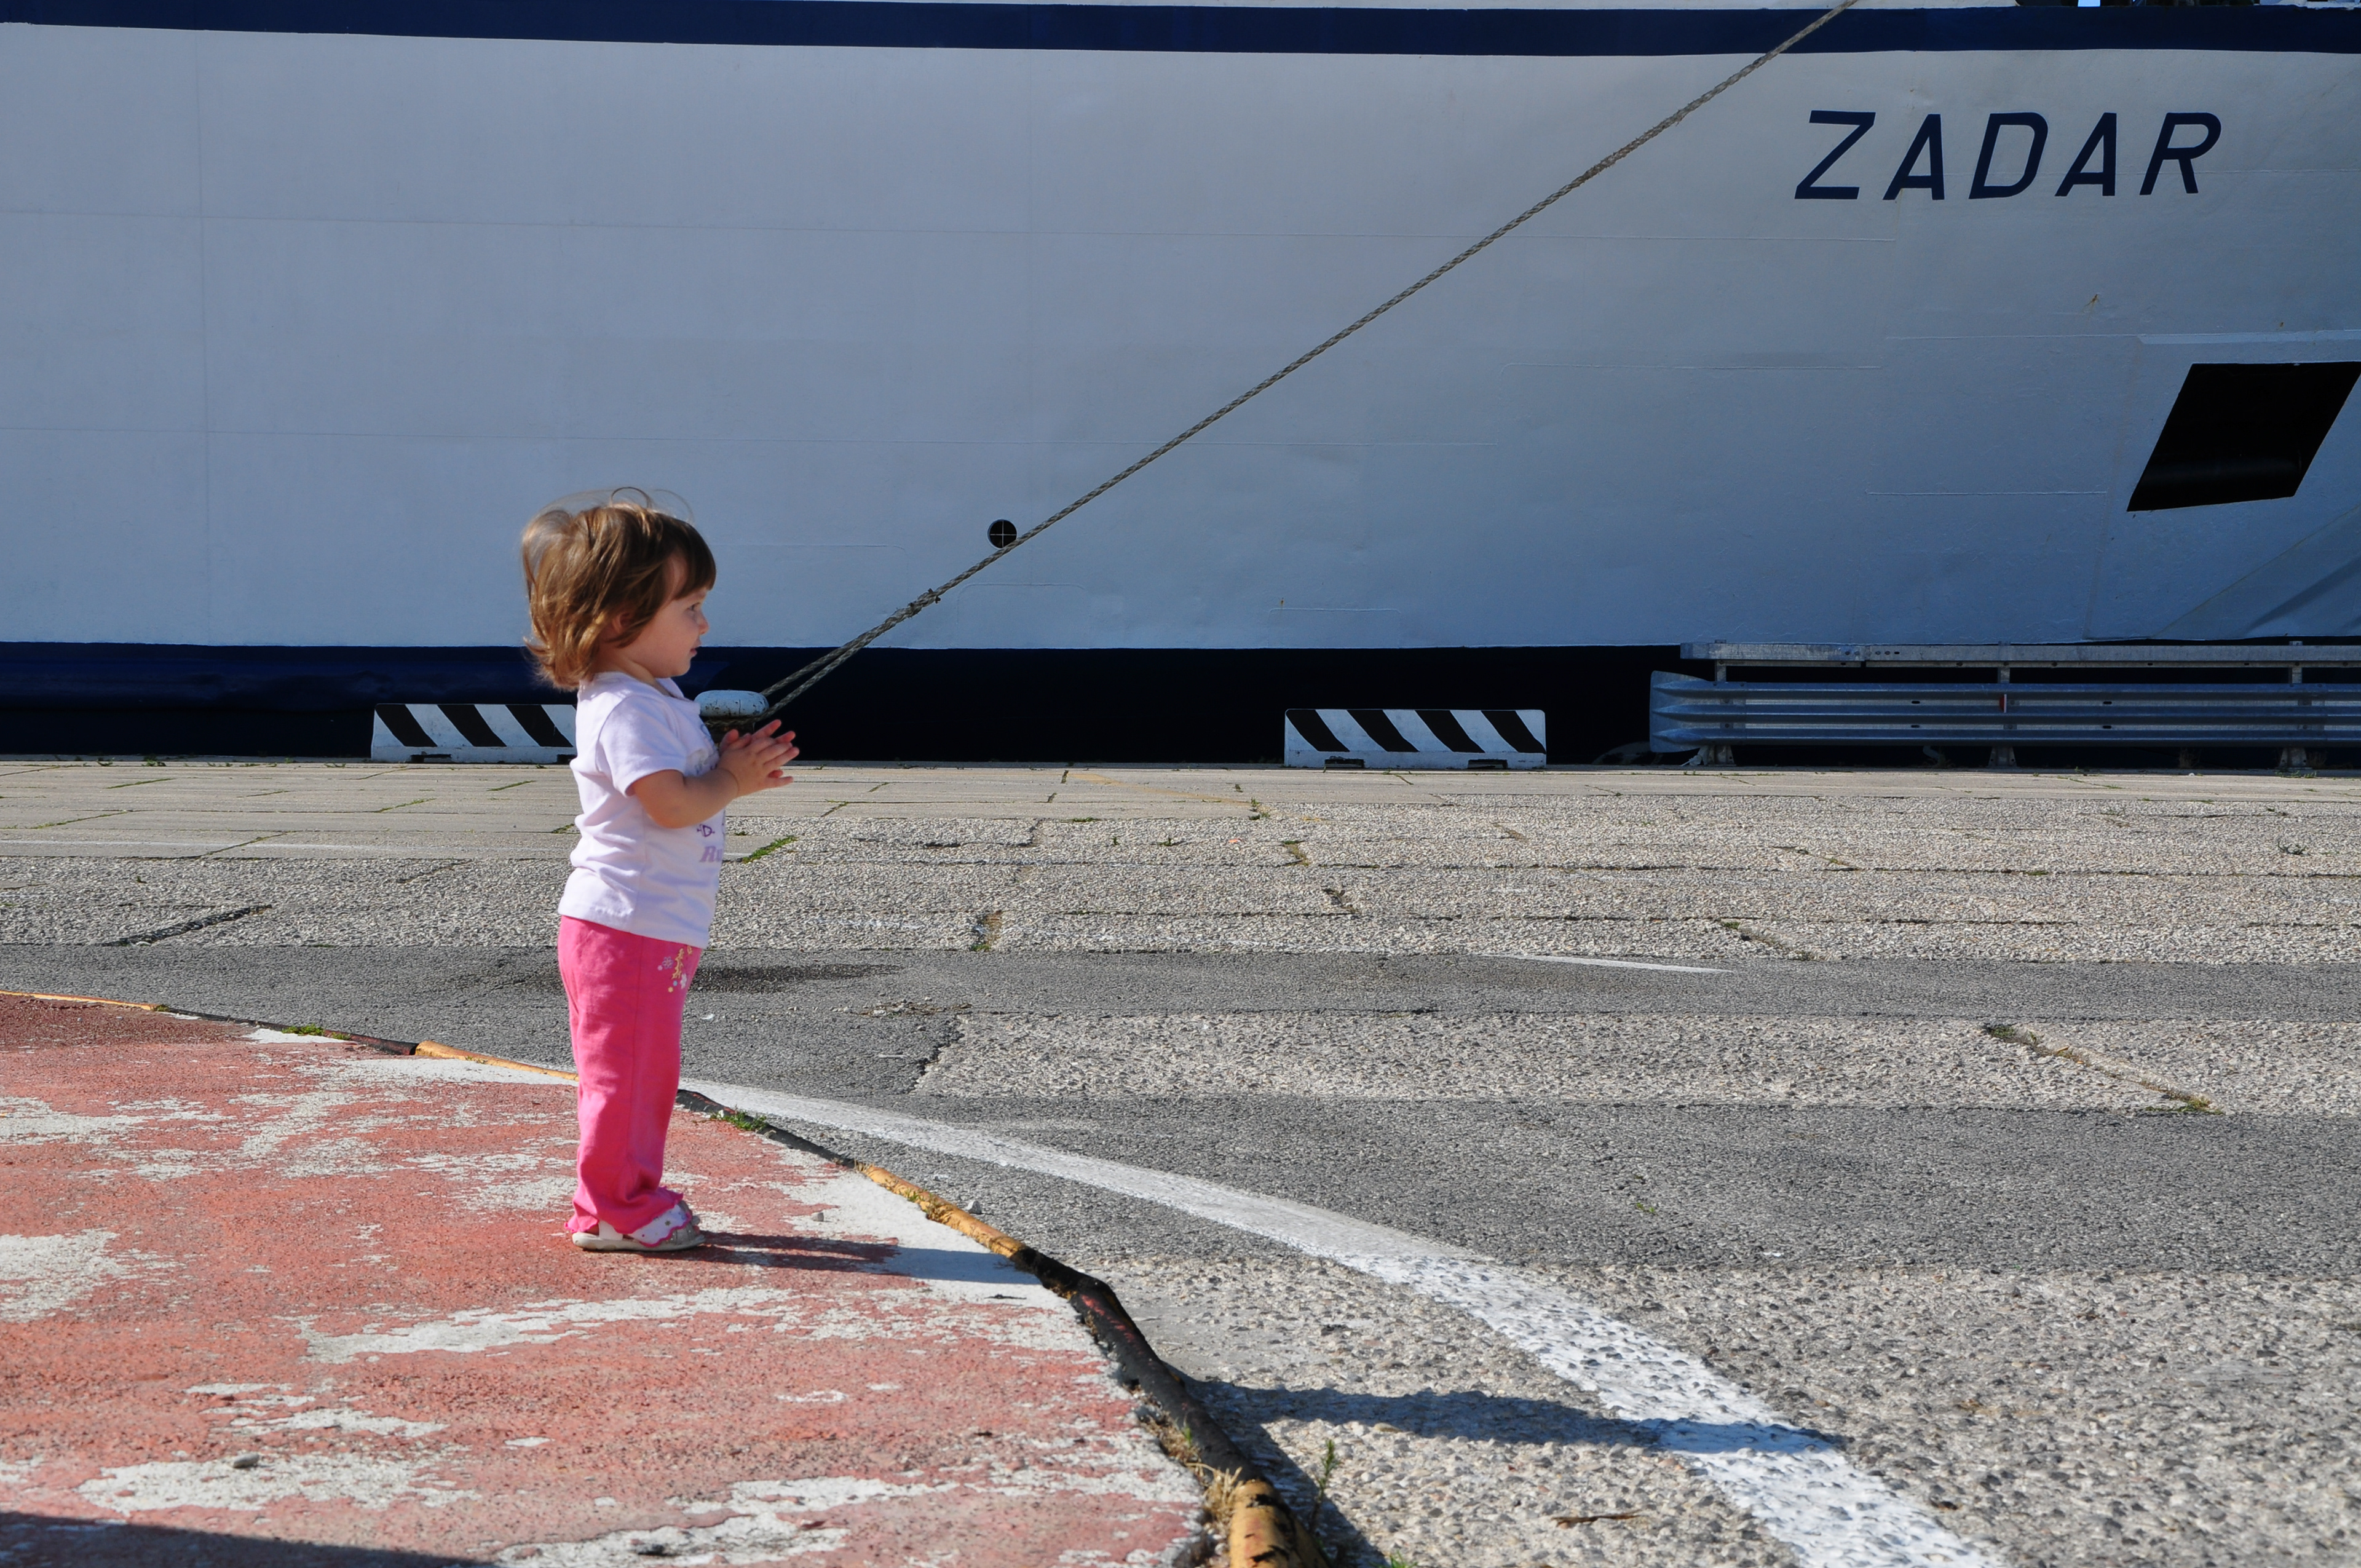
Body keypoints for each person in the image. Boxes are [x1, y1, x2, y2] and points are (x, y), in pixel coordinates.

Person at [521, 489, 796, 1252]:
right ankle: (615, 1207)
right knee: (629, 1076)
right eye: (691, 607)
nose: (704, 625)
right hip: (627, 927)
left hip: (647, 926)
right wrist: (730, 780)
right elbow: (670, 805)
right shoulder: (625, 708)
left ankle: (620, 1198)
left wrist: (730, 768)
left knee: (643, 1074)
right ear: (622, 619)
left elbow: (678, 787)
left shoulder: (655, 697)